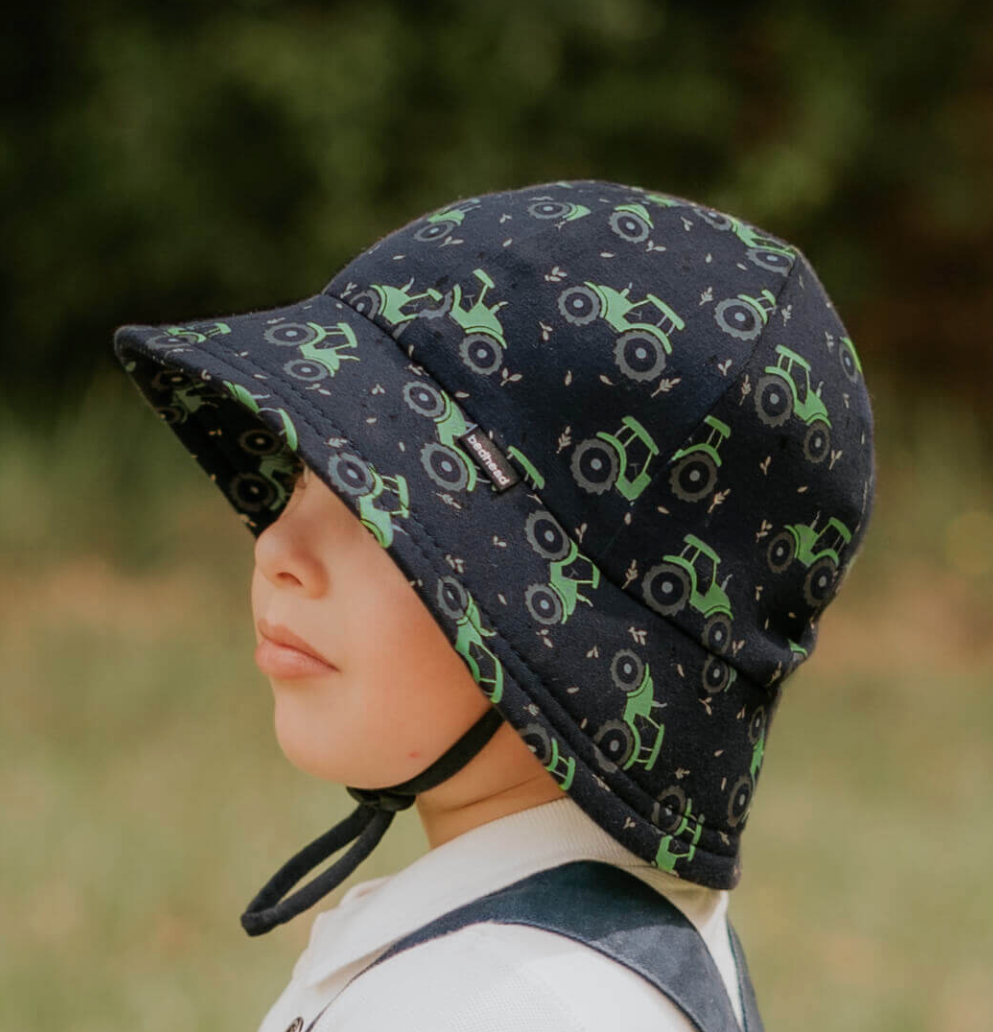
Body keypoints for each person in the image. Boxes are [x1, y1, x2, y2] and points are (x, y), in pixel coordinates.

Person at [113, 178, 876, 1031]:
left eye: (382, 506)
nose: (276, 549)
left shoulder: (490, 1004)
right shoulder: (607, 953)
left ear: (570, 639)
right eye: (301, 469)